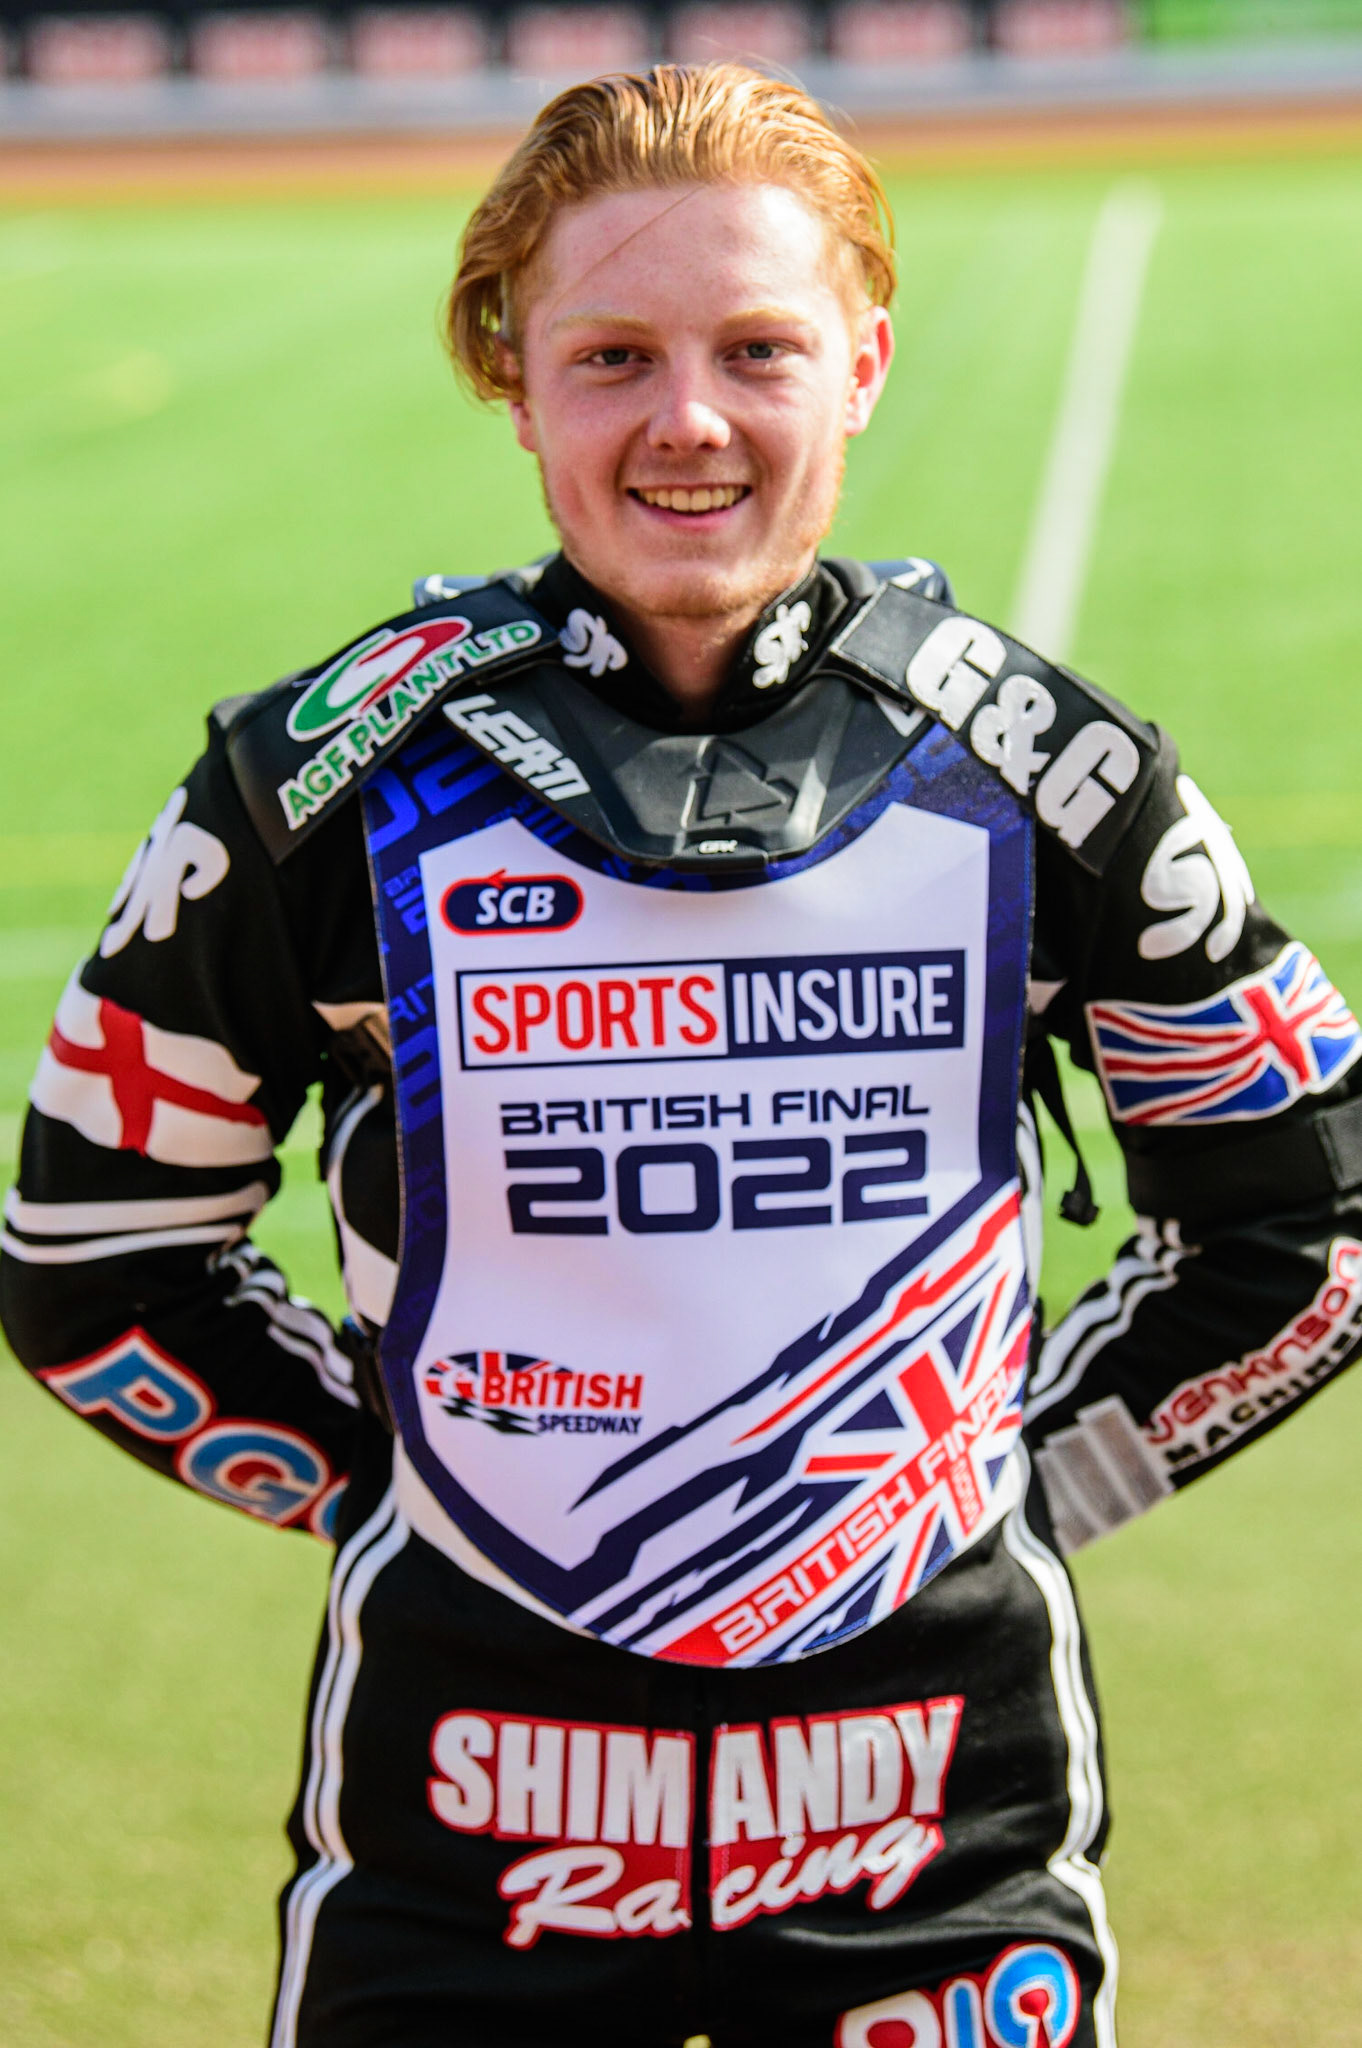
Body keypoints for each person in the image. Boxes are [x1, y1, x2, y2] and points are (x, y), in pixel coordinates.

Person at [5, 62, 1362, 2048]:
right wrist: (418, 1488)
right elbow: (93, 1259)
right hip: (469, 1827)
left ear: (868, 358)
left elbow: (1305, 1227)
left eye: (758, 347)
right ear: (513, 371)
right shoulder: (319, 788)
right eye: (614, 354)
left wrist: (1001, 1485)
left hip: (934, 1825)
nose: (690, 421)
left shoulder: (1054, 778)